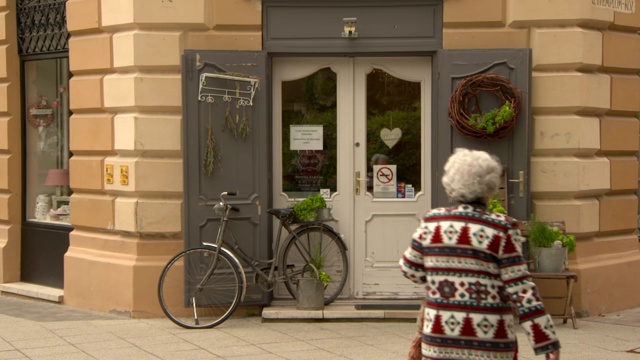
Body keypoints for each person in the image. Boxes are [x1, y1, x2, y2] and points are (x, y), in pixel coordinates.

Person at [400, 148, 560, 360]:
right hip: (491, 345)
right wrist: (545, 340)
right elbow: (521, 291)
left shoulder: (432, 222)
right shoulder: (502, 228)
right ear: (490, 188)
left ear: (450, 184)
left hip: (440, 342)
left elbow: (410, 270)